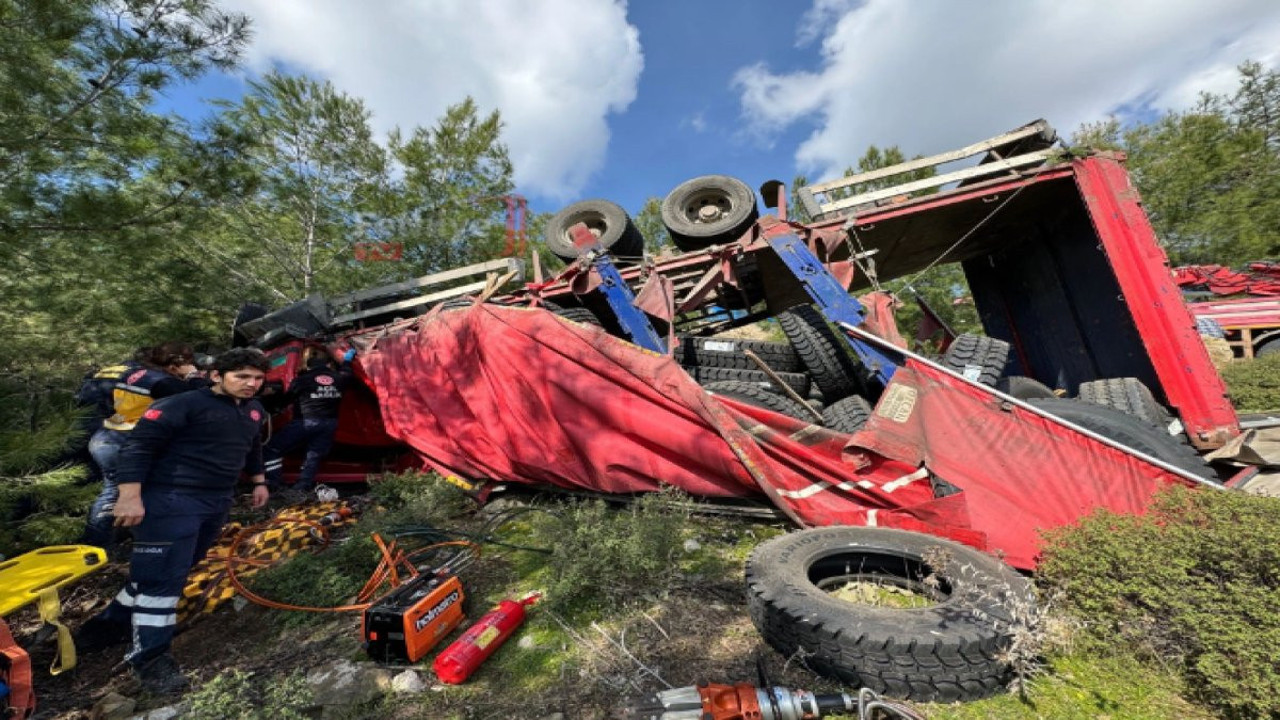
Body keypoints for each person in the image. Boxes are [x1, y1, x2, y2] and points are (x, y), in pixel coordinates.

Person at [74, 348, 271, 694]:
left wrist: (258, 482)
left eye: (257, 378)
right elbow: (138, 448)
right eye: (241, 376)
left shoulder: (254, 410)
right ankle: (149, 660)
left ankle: (106, 628)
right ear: (216, 376)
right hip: (170, 499)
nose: (250, 384)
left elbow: (251, 446)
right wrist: (129, 496)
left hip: (216, 501)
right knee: (162, 582)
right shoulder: (181, 405)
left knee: (174, 569)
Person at [82, 343, 203, 550]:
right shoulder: (156, 380)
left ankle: (99, 544)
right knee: (137, 490)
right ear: (175, 366)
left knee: (112, 490)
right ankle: (121, 542)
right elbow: (196, 399)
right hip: (129, 442)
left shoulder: (120, 371)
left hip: (104, 434)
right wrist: (193, 376)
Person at [263, 349, 355, 494]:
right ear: (328, 365)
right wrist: (347, 360)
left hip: (305, 422)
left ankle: (274, 484)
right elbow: (348, 372)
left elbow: (287, 400)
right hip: (329, 423)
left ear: (308, 366)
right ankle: (302, 487)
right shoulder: (339, 378)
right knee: (314, 454)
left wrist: (270, 406)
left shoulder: (302, 380)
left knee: (272, 448)